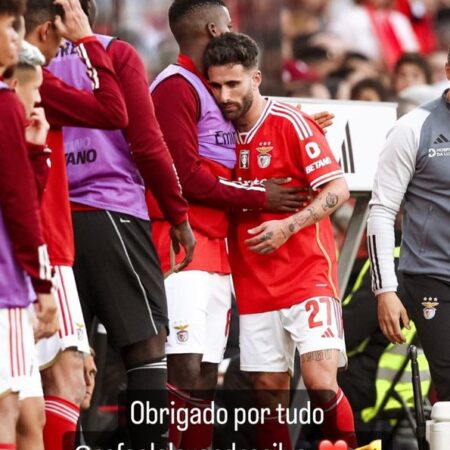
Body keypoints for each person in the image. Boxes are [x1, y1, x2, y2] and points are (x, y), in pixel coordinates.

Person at [149, 1, 317, 447]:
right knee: (182, 361)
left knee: (206, 368)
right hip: (180, 242)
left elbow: (246, 138)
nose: (231, 30)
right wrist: (261, 196)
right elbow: (186, 177)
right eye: (227, 25)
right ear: (212, 27)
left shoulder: (212, 90)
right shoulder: (174, 87)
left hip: (216, 247)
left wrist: (293, 125)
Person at [48, 0, 196, 447]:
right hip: (111, 212)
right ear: (89, 11)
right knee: (146, 346)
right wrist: (177, 214)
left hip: (54, 224)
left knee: (65, 355)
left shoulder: (24, 64)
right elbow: (149, 145)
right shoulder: (114, 53)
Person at [204, 32, 357, 449]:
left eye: (233, 84)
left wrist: (287, 226)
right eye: (215, 85)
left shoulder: (290, 121)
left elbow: (337, 190)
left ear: (256, 78)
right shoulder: (213, 132)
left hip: (307, 274)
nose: (224, 95)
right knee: (267, 393)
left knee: (321, 382)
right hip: (254, 284)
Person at [23, 1, 130, 449]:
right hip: (43, 243)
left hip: (28, 243)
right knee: (65, 375)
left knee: (23, 385)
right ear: (49, 27)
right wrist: (87, 38)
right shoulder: (31, 80)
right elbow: (113, 112)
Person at [367, 46, 450, 402]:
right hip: (432, 276)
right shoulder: (413, 128)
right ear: (447, 70)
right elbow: (382, 210)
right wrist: (384, 289)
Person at [0, 1, 58, 448]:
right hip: (8, 282)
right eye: (11, 27)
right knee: (9, 407)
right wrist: (42, 285)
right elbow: (20, 204)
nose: (37, 101)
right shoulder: (4, 107)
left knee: (28, 412)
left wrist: (35, 153)